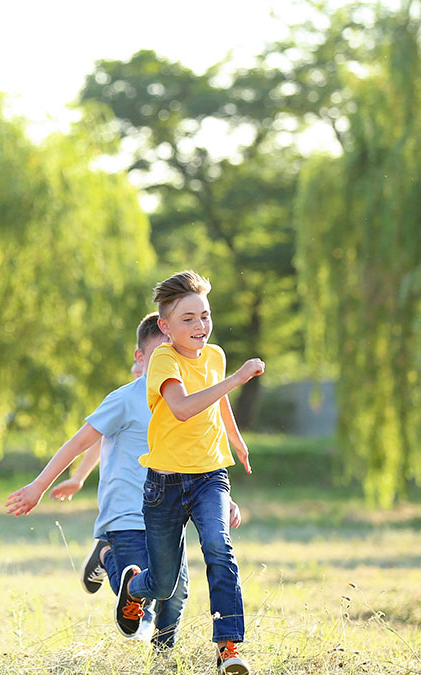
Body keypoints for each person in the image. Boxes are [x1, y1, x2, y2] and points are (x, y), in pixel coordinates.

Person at [5, 313, 193, 648]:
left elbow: (198, 458)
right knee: (138, 577)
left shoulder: (184, 404)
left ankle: (163, 656)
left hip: (168, 515)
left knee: (176, 593)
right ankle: (124, 584)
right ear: (140, 358)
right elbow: (82, 442)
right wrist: (40, 486)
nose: (167, 363)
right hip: (126, 512)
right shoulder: (125, 398)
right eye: (158, 355)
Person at [113, 271, 263, 675]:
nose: (200, 326)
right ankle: (134, 588)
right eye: (188, 319)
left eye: (205, 316)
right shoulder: (163, 359)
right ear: (165, 326)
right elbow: (181, 407)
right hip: (164, 484)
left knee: (219, 546)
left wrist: (235, 440)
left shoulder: (215, 355)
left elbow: (218, 399)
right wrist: (237, 379)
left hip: (209, 475)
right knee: (163, 584)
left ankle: (228, 646)